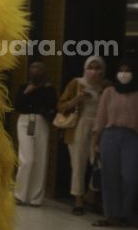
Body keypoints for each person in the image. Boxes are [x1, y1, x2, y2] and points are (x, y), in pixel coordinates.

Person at [57, 56, 110, 215]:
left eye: (97, 68)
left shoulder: (107, 87)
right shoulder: (77, 83)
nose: (94, 71)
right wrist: (78, 98)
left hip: (100, 127)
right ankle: (78, 201)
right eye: (90, 67)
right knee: (78, 165)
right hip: (79, 126)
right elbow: (61, 105)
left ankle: (91, 194)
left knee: (99, 164)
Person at [90, 59, 138, 227]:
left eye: (128, 71)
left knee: (130, 177)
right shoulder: (109, 92)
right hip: (109, 136)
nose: (124, 74)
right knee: (109, 176)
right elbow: (101, 117)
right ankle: (111, 216)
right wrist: (96, 142)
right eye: (121, 70)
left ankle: (125, 213)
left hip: (132, 137)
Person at [13, 61, 57, 207]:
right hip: (25, 121)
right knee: (27, 159)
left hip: (41, 122)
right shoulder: (23, 87)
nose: (35, 71)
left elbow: (52, 107)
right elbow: (16, 105)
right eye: (32, 68)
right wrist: (26, 92)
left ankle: (35, 197)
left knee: (40, 158)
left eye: (38, 68)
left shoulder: (49, 89)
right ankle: (20, 194)